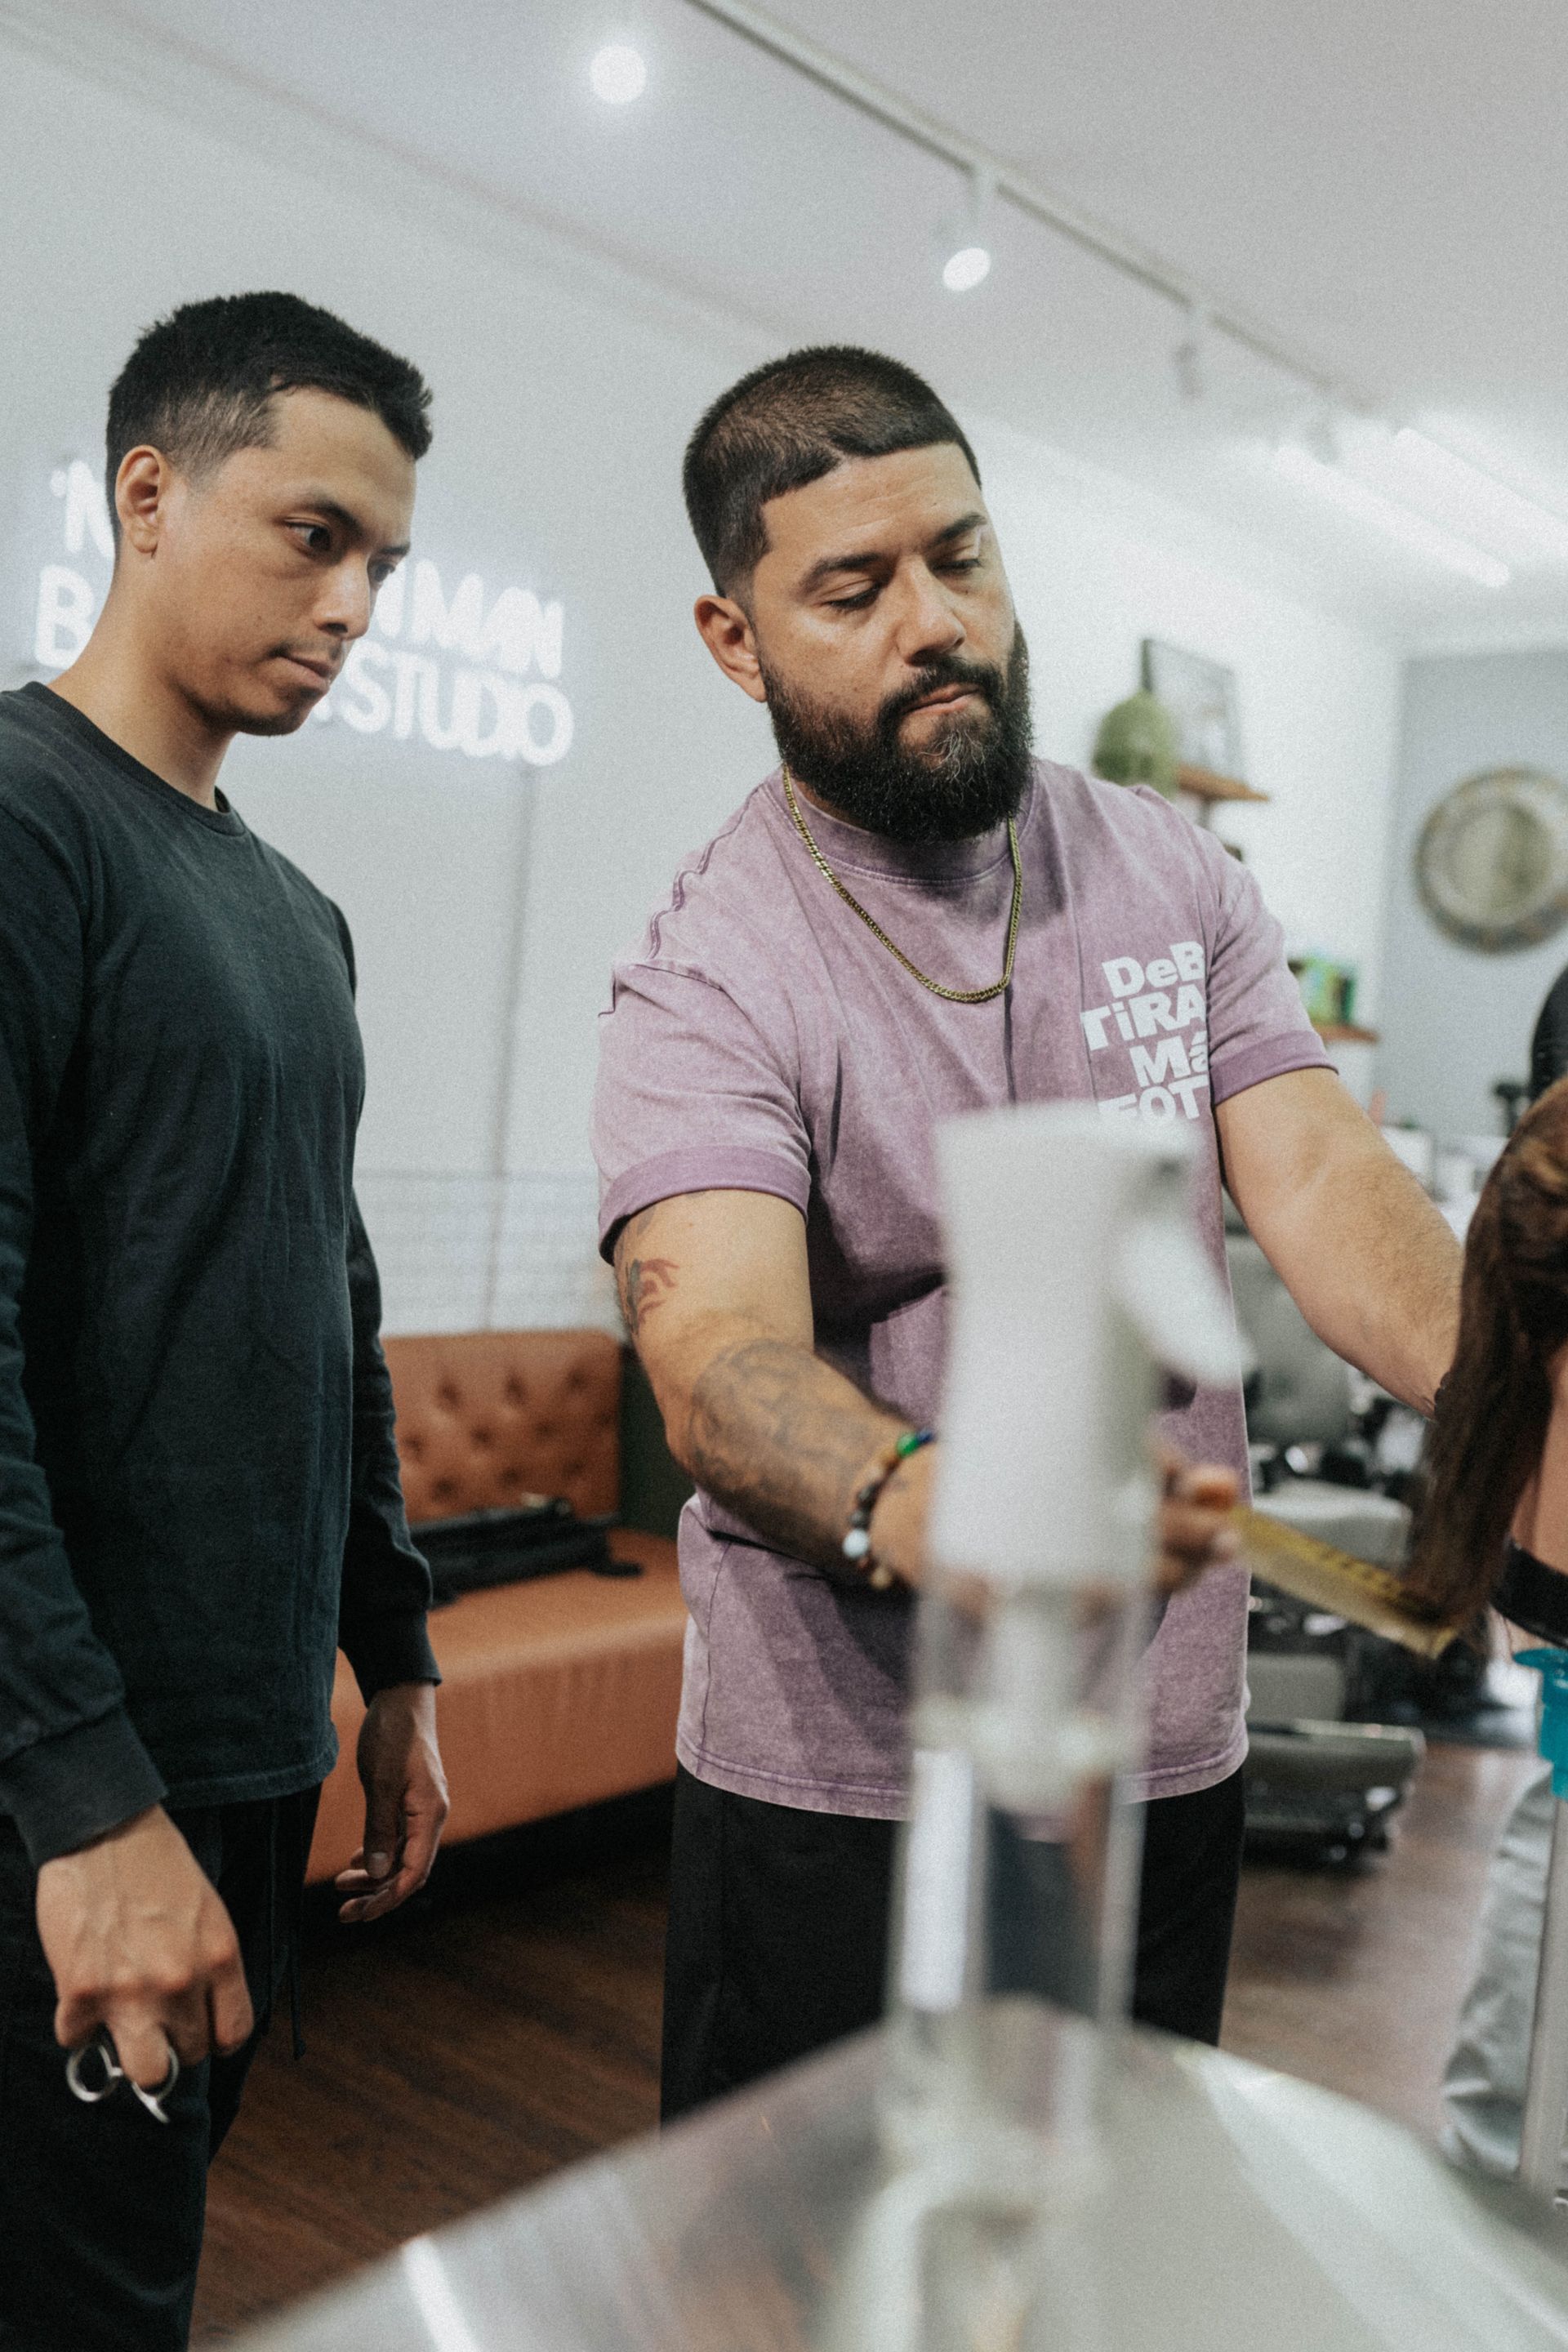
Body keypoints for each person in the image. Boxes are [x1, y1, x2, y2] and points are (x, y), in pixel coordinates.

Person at [591, 345, 1463, 2122]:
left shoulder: (1168, 873)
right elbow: (719, 1356)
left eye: (963, 558)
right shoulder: (713, 966)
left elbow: (1324, 1186)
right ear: (734, 639)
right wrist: (935, 1502)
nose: (938, 623)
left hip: (1155, 1753)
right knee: (813, 2290)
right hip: (850, 1781)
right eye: (856, 586)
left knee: (1106, 2262)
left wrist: (1523, 1395)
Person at [0, 293, 448, 2351]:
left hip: (252, 1755)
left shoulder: (298, 915)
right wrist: (84, 1806)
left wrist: (396, 1651)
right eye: (312, 534)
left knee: (136, 2268)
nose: (352, 603)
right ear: (148, 494)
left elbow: (325, 1297)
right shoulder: (22, 825)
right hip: (70, 1782)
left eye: (383, 564)